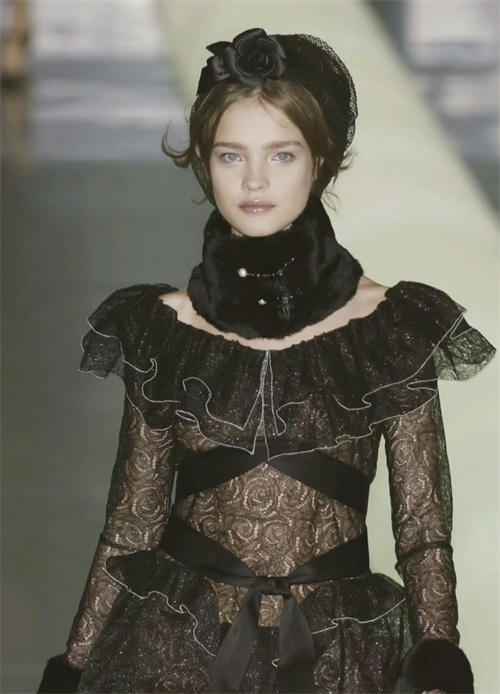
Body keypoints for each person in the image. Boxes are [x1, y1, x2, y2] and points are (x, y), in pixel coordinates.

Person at [38, 28, 495, 694]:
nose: (254, 181)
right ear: (203, 161)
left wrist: (438, 652)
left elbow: (422, 527)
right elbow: (133, 524)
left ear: (321, 158)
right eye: (232, 155)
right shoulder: (164, 329)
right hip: (176, 648)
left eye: (281, 154)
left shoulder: (389, 329)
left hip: (336, 654)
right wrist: (74, 665)